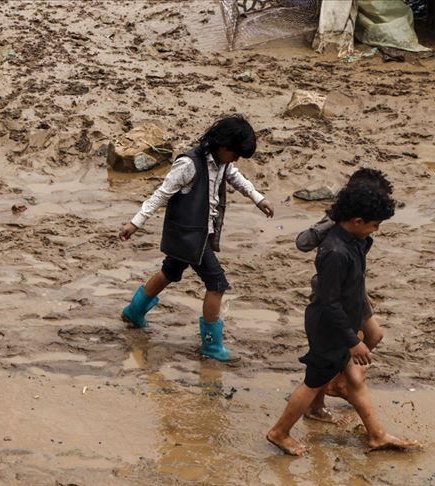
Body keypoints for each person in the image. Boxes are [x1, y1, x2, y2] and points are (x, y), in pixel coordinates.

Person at [266, 184, 417, 455]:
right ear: (357, 221)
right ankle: (279, 432)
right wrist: (352, 341)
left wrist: (360, 302)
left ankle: (376, 435)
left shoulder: (355, 241)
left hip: (342, 323)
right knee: (313, 383)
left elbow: (352, 284)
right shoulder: (335, 252)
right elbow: (329, 302)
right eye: (374, 225)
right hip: (329, 327)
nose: (376, 230)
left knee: (343, 379)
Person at [118, 115, 274, 361]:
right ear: (223, 145)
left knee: (170, 271)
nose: (235, 160)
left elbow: (236, 177)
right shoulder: (188, 164)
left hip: (198, 233)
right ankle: (212, 345)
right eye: (235, 154)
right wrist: (135, 223)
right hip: (190, 235)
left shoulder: (222, 162)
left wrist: (258, 198)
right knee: (217, 284)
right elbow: (161, 194)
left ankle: (134, 311)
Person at [297, 168, 393, 423]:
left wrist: (362, 292)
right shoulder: (340, 225)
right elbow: (303, 242)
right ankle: (318, 400)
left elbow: (358, 264)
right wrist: (331, 221)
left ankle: (339, 381)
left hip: (353, 289)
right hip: (334, 293)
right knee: (332, 352)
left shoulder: (362, 227)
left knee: (373, 335)